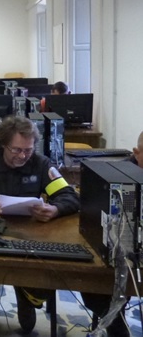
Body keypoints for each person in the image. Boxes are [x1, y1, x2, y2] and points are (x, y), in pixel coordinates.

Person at [0, 115, 80, 332]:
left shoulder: (41, 163)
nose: (23, 156)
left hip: (31, 234)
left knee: (44, 278)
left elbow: (69, 196)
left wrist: (55, 209)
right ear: (3, 144)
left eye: (28, 150)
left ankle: (26, 297)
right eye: (16, 150)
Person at [79, 130, 143, 336]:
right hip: (117, 254)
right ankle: (115, 324)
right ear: (137, 152)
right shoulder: (112, 178)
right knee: (97, 285)